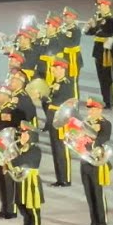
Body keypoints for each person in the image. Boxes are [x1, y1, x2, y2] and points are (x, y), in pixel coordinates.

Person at [78, 98, 113, 225]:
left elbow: (103, 138)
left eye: (93, 109)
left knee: (98, 195)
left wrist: (89, 135)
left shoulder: (105, 124)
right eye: (89, 109)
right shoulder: (84, 123)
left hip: (98, 162)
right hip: (85, 161)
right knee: (89, 195)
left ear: (100, 110)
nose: (90, 111)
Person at [0, 86, 23, 220]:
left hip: (9, 148)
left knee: (8, 178)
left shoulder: (11, 110)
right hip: (0, 147)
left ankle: (11, 208)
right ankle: (4, 207)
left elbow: (11, 128)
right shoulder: (2, 109)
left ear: (6, 96)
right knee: (1, 178)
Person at [83, 0, 113, 108]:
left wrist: (95, 26)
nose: (98, 7)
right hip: (98, 49)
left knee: (109, 76)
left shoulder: (112, 19)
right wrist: (88, 27)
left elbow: (108, 32)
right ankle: (105, 99)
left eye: (100, 5)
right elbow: (91, 33)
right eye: (98, 5)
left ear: (106, 5)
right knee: (101, 76)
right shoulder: (98, 17)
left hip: (107, 50)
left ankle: (111, 101)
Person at [14, 122, 44, 225]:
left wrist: (10, 161)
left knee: (33, 211)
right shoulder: (19, 148)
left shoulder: (35, 149)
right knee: (24, 210)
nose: (22, 135)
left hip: (31, 183)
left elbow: (21, 160)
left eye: (25, 133)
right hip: (22, 181)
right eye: (22, 133)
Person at [44, 59, 74, 187]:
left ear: (63, 69)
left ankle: (65, 178)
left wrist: (53, 92)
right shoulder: (54, 83)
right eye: (53, 68)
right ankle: (59, 177)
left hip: (61, 121)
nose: (53, 70)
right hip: (53, 119)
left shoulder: (66, 84)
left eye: (56, 68)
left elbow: (64, 102)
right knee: (56, 149)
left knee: (62, 150)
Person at [59, 7, 84, 100]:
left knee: (73, 82)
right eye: (64, 17)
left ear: (73, 18)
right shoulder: (62, 28)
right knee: (64, 81)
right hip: (64, 59)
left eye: (68, 17)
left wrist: (61, 35)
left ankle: (75, 100)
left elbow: (72, 43)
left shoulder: (76, 30)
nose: (65, 19)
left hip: (73, 59)